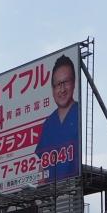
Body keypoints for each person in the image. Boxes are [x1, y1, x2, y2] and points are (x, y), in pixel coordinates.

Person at [35, 54, 80, 183]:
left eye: (66, 82)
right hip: (52, 192)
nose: (62, 89)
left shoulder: (80, 113)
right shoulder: (48, 125)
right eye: (57, 84)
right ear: (52, 88)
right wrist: (41, 193)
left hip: (75, 187)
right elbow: (42, 169)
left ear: (74, 82)